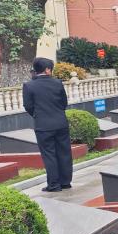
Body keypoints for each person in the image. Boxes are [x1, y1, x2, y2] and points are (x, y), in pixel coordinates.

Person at [22, 57, 73, 192]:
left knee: (49, 155)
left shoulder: (29, 86)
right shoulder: (57, 83)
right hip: (61, 123)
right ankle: (65, 182)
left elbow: (28, 106)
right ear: (47, 70)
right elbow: (64, 103)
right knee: (64, 153)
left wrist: (38, 115)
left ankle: (54, 185)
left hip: (43, 126)